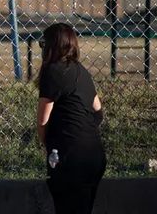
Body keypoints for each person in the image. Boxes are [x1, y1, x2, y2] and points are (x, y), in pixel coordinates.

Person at [36, 23, 106, 214]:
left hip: (70, 159)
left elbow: (43, 121)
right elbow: (98, 113)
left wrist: (51, 143)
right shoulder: (82, 71)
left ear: (52, 47)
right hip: (94, 155)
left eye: (44, 44)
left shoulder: (52, 72)